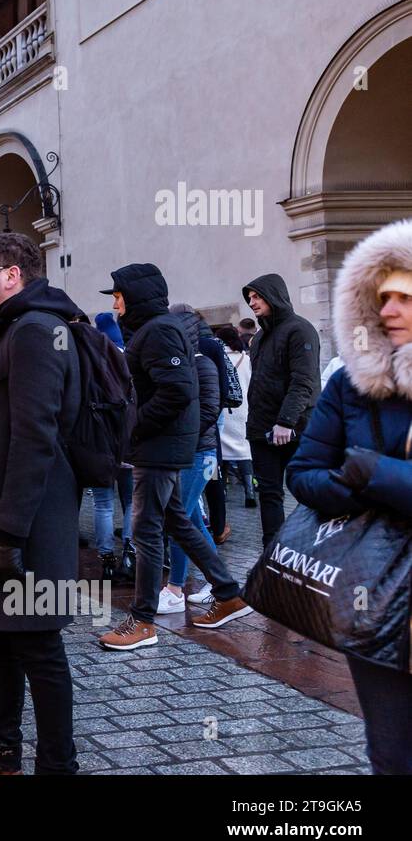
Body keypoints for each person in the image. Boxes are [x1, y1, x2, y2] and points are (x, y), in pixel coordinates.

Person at [0, 234, 82, 775]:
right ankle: (1, 755)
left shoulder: (36, 330)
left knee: (37, 651)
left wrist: (10, 533)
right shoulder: (6, 329)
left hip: (25, 525)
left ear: (12, 276)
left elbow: (36, 435)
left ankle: (58, 766)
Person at [286, 218, 412, 774]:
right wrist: (348, 484)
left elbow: (368, 471)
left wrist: (375, 473)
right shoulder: (349, 384)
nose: (388, 311)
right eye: (381, 298)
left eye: (404, 297)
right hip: (376, 596)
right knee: (390, 754)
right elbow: (304, 471)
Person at [97, 265, 250, 653]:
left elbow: (177, 390)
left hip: (160, 447)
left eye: (117, 296)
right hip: (159, 444)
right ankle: (229, 593)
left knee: (147, 529)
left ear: (134, 297)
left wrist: (135, 426)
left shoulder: (160, 331)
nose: (115, 304)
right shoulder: (152, 331)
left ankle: (144, 621)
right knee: (176, 520)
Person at [243, 274, 321, 547]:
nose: (252, 303)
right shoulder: (261, 336)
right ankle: (273, 555)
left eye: (257, 296)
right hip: (261, 430)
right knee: (269, 494)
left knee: (307, 493)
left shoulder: (299, 330)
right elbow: (260, 383)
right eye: (249, 298)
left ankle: (312, 550)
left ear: (273, 295)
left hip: (296, 429)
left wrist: (286, 422)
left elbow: (304, 381)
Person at [162, 303, 224, 611]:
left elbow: (210, 410)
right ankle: (219, 583)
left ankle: (175, 588)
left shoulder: (203, 365)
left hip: (200, 452)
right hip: (187, 451)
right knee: (193, 521)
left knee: (179, 519)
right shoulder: (185, 364)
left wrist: (182, 436)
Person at [87, 312, 134, 581]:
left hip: (98, 440)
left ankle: (106, 558)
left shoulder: (92, 360)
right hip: (126, 440)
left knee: (103, 504)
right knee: (130, 501)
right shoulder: (128, 356)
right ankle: (128, 552)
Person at [215, 325, 256, 507]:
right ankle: (250, 492)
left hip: (223, 409)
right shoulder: (246, 359)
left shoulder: (217, 359)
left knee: (220, 451)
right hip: (243, 410)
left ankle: (221, 491)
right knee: (244, 449)